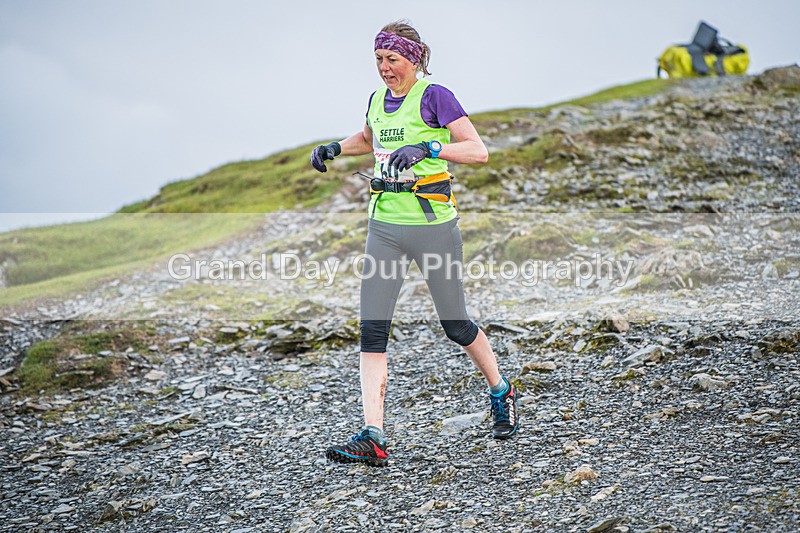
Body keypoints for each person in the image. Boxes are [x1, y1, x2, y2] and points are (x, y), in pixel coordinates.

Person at [310, 20, 519, 467]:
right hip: (383, 227)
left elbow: (478, 151)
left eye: (393, 59)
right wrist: (334, 148)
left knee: (455, 325)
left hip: (433, 227)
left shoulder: (434, 96)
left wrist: (430, 149)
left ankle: (501, 391)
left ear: (414, 58)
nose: (385, 69)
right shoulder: (376, 101)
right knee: (372, 330)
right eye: (379, 60)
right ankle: (373, 434)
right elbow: (369, 139)